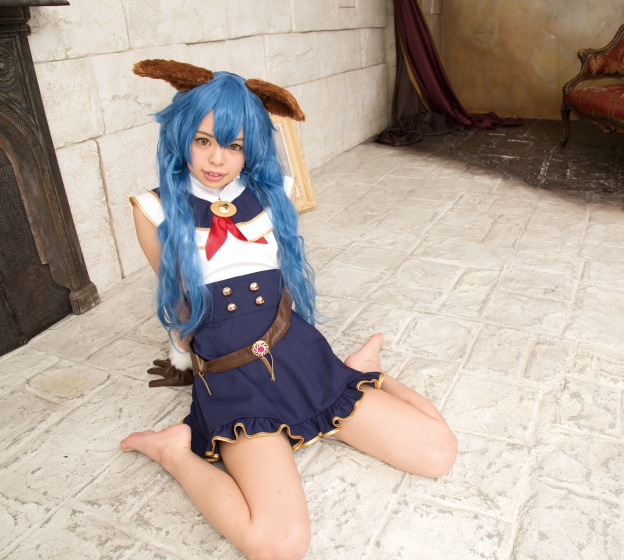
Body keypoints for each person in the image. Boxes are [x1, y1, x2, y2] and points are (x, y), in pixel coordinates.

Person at [120, 60, 457, 560]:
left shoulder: (272, 192)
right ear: (181, 134)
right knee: (279, 545)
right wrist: (183, 360)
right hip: (233, 379)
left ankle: (361, 371)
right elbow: (178, 300)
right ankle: (173, 451)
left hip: (297, 354)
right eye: (203, 140)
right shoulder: (153, 210)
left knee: (438, 453)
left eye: (234, 145)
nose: (217, 159)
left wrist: (346, 375)